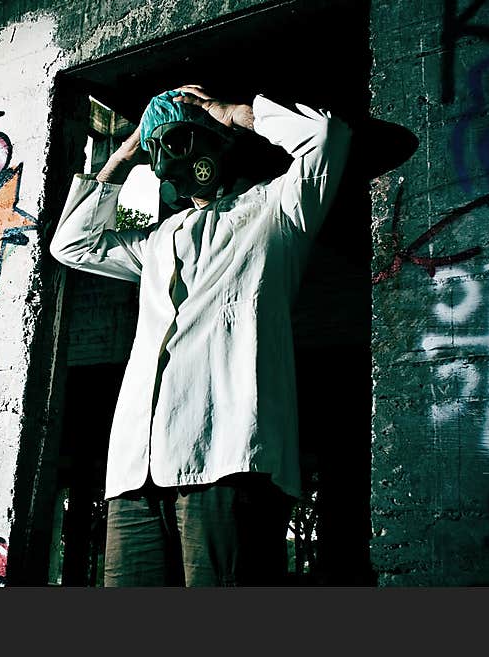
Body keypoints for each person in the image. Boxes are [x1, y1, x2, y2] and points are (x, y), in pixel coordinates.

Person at [49, 84, 352, 586]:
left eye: (184, 141)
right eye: (163, 147)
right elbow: (71, 244)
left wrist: (230, 112)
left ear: (218, 143)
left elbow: (324, 136)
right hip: (136, 473)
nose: (175, 158)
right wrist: (128, 151)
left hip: (225, 459)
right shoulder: (159, 241)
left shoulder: (275, 211)